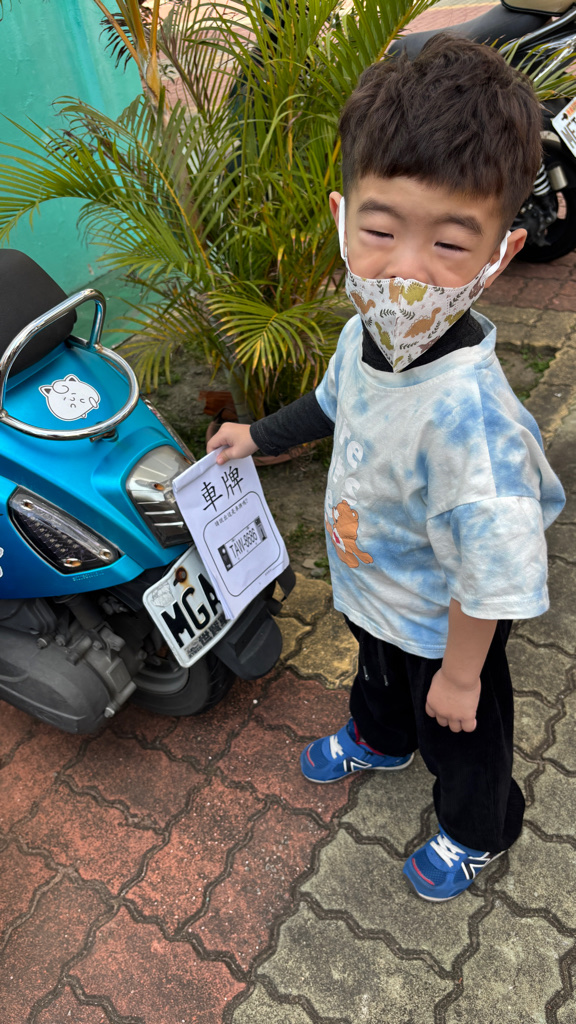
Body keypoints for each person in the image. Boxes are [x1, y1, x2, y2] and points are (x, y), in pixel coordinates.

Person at [206, 34, 565, 901]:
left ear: (500, 254)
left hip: (450, 629)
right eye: (380, 230)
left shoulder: (472, 422)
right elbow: (331, 404)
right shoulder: (359, 333)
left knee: (464, 737)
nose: (405, 272)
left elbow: (494, 573)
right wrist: (255, 437)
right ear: (343, 215)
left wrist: (464, 673)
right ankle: (381, 736)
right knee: (376, 677)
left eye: (450, 244)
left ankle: (479, 827)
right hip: (373, 591)